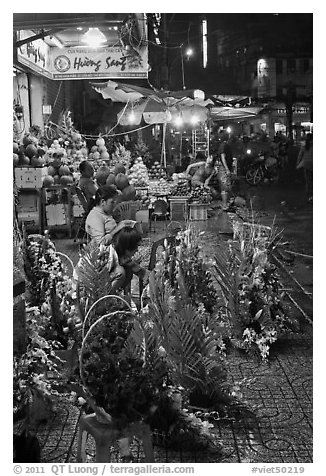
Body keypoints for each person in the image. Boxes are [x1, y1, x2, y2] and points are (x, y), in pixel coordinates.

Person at [217, 131, 233, 208]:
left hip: (225, 167)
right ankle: (224, 204)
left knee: (227, 186)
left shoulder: (224, 145)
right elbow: (223, 157)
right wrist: (226, 168)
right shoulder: (223, 145)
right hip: (224, 168)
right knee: (224, 186)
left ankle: (226, 203)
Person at [297, 133, 313, 201]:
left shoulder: (304, 145)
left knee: (308, 179)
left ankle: (309, 193)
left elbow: (300, 155)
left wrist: (298, 162)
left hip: (306, 164)